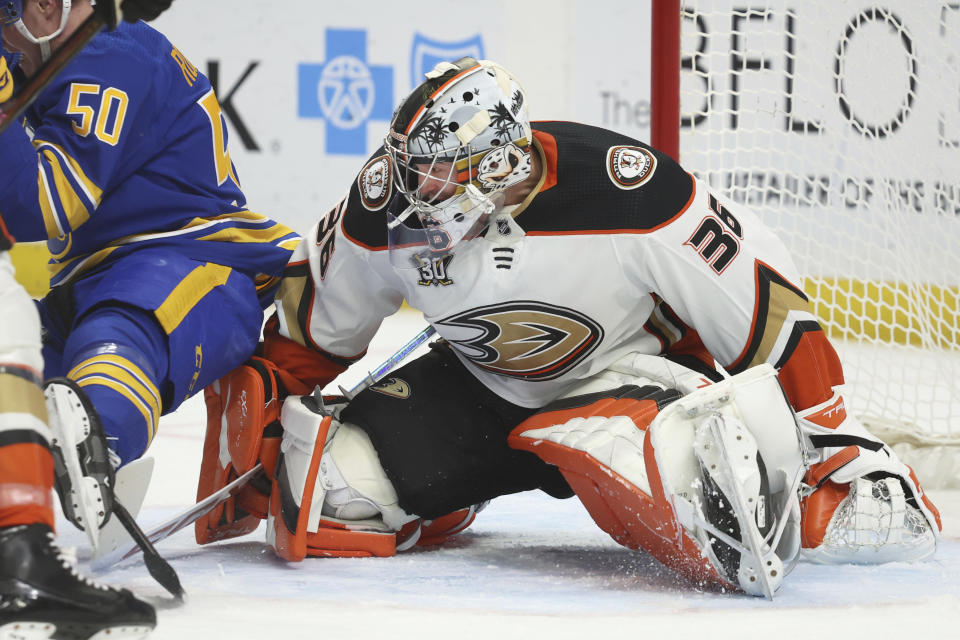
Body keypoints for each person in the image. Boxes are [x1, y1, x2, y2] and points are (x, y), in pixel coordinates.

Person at [198, 58, 941, 596]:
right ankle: (452, 490)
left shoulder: (629, 192)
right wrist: (268, 416)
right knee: (325, 498)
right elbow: (311, 329)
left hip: (625, 384)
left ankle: (632, 454)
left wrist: (832, 438)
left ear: (493, 165)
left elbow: (764, 307)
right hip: (476, 390)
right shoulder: (384, 205)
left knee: (726, 522)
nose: (409, 192)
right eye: (408, 169)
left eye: (432, 175)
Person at [0, 0, 296, 634]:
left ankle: (97, 441)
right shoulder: (53, 52)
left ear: (45, 11)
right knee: (14, 372)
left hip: (193, 258)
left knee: (121, 330)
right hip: (82, 280)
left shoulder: (111, 53)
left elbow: (43, 206)